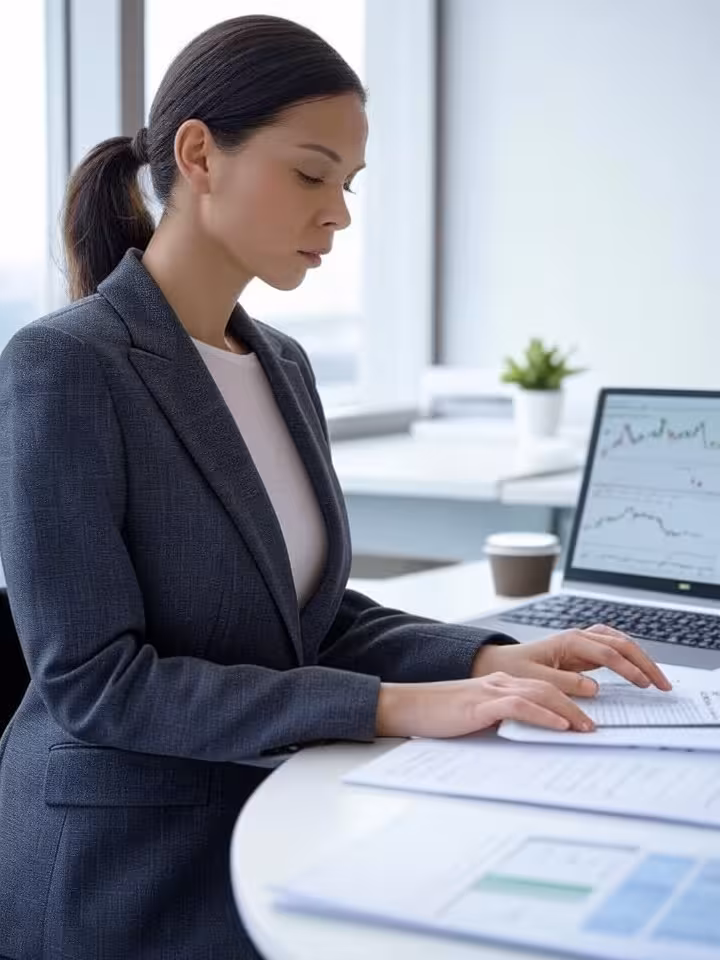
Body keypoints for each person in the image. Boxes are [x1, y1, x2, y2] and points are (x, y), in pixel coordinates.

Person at [0, 15, 670, 960]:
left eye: (347, 185)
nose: (340, 214)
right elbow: (94, 682)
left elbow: (308, 617)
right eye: (312, 174)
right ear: (199, 154)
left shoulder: (281, 362)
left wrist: (490, 660)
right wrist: (391, 705)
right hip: (126, 869)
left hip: (280, 812)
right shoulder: (66, 366)